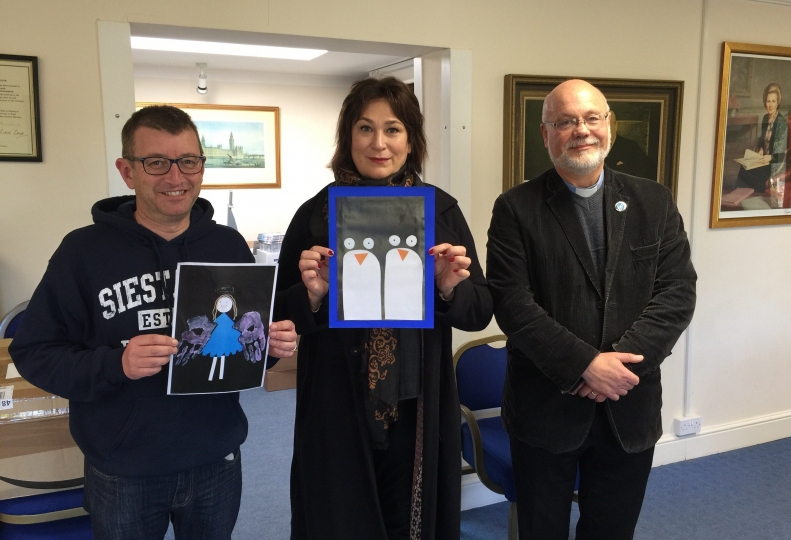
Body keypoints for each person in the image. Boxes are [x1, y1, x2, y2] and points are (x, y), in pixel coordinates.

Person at [9, 105, 298, 540]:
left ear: (201, 166)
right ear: (128, 172)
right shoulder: (82, 252)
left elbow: (244, 347)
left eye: (189, 161)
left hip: (216, 457)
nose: (176, 177)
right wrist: (115, 364)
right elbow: (33, 352)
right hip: (123, 468)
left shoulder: (228, 244)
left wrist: (270, 348)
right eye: (156, 163)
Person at [276, 77, 492, 540]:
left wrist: (450, 288)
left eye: (392, 129)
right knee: (340, 513)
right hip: (338, 398)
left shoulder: (440, 211)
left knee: (410, 517)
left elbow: (478, 311)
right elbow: (275, 321)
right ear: (347, 137)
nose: (379, 144)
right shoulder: (314, 215)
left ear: (410, 139)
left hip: (417, 402)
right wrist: (311, 294)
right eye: (364, 129)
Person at [486, 79, 696, 540]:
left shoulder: (654, 201)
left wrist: (614, 368)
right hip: (545, 411)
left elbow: (677, 292)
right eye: (564, 121)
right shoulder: (515, 209)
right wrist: (584, 366)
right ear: (546, 135)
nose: (581, 130)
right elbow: (513, 304)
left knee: (612, 531)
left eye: (591, 118)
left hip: (630, 405)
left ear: (609, 128)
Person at [735, 82, 788, 195]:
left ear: (778, 103)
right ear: (765, 102)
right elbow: (762, 140)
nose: (770, 104)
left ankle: (757, 193)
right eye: (768, 101)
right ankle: (738, 196)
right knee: (744, 167)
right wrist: (760, 149)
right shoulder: (765, 118)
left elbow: (782, 154)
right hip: (763, 160)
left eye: (773, 101)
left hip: (774, 163)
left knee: (753, 174)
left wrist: (769, 157)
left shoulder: (781, 122)